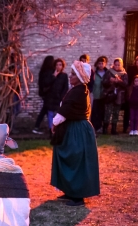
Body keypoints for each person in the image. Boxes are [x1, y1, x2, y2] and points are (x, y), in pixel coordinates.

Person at [50, 61, 100, 207]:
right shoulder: (79, 89)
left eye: (73, 74)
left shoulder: (78, 91)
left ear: (79, 76)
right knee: (68, 158)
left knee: (76, 160)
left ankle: (78, 196)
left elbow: (65, 110)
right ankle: (70, 190)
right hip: (75, 128)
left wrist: (54, 123)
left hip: (77, 130)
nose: (70, 77)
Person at [102, 58, 128, 135]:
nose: (117, 66)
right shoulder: (109, 72)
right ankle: (105, 128)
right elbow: (103, 82)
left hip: (119, 95)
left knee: (116, 113)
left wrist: (119, 81)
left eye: (118, 65)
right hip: (110, 94)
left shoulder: (124, 74)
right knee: (108, 112)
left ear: (121, 65)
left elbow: (126, 84)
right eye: (115, 64)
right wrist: (110, 81)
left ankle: (114, 129)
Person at [44, 58, 69, 133]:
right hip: (50, 98)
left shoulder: (64, 75)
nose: (58, 66)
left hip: (59, 98)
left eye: (60, 65)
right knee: (50, 114)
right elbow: (46, 83)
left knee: (58, 115)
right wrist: (53, 76)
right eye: (57, 65)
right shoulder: (50, 74)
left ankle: (57, 130)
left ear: (62, 66)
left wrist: (62, 97)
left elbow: (65, 87)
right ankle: (50, 130)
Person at [124, 55, 138, 133]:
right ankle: (126, 127)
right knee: (129, 112)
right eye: (137, 60)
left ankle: (135, 128)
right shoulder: (131, 69)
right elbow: (128, 79)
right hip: (131, 91)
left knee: (137, 115)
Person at [32, 55, 55, 134]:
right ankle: (38, 127)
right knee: (46, 110)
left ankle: (38, 127)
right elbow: (48, 82)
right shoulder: (50, 72)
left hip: (44, 93)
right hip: (48, 94)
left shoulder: (43, 71)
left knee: (45, 110)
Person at [90, 56, 108, 133]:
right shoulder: (94, 73)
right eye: (99, 63)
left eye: (102, 63)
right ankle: (95, 127)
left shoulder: (108, 73)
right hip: (96, 95)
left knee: (102, 112)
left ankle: (101, 127)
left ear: (105, 64)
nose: (101, 65)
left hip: (104, 95)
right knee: (95, 112)